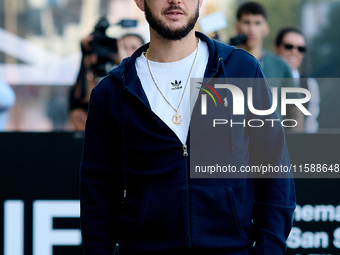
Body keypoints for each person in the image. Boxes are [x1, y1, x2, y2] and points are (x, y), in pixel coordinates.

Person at [80, 0, 296, 254]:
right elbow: (96, 194)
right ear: (140, 1)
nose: (175, 0)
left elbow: (274, 168)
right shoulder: (111, 92)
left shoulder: (241, 70)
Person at [235, 1, 304, 127]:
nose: (252, 29)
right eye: (247, 22)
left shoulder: (280, 66)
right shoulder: (224, 61)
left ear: (266, 29)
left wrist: (296, 143)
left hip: (271, 143)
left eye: (257, 23)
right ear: (237, 27)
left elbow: (295, 109)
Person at [69, 33, 144, 131]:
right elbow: (80, 100)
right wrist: (86, 56)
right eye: (122, 47)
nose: (127, 52)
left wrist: (123, 63)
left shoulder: (146, 78)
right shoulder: (108, 79)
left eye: (133, 47)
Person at [275, 27, 320, 133]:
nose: (294, 52)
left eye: (300, 49)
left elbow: (311, 126)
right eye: (288, 46)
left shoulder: (310, 85)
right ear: (276, 48)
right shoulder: (263, 79)